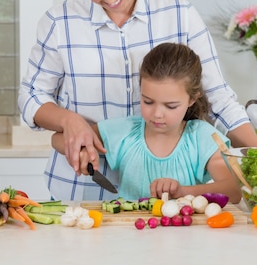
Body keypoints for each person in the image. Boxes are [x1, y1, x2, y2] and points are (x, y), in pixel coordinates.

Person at [18, 0, 257, 201]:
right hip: (81, 190)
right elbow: (31, 96)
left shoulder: (179, 15)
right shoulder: (60, 22)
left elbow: (218, 100)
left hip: (170, 198)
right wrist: (68, 120)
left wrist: (254, 154)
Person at [52, 43, 241, 203]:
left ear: (192, 99)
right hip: (128, 235)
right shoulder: (126, 130)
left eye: (171, 106)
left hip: (185, 238)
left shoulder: (202, 137)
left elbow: (234, 189)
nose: (157, 114)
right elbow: (57, 138)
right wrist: (82, 150)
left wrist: (183, 192)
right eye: (148, 101)